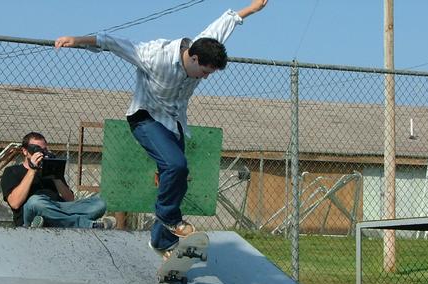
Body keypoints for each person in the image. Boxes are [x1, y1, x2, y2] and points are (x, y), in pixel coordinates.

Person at [54, 0, 268, 256]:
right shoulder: (154, 55)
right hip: (145, 118)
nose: (205, 77)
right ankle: (169, 218)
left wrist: (253, 9)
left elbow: (227, 21)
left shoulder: (205, 44)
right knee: (176, 165)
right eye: (204, 71)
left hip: (173, 123)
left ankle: (161, 241)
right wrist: (75, 40)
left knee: (178, 178)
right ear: (194, 57)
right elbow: (110, 41)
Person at [1, 131, 115, 229]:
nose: (40, 152)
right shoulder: (12, 171)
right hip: (31, 213)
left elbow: (70, 199)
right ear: (25, 151)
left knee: (99, 204)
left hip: (57, 208)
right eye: (36, 149)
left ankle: (51, 221)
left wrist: (55, 174)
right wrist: (32, 169)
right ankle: (88, 225)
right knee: (36, 201)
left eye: (43, 149)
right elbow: (15, 203)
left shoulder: (50, 170)